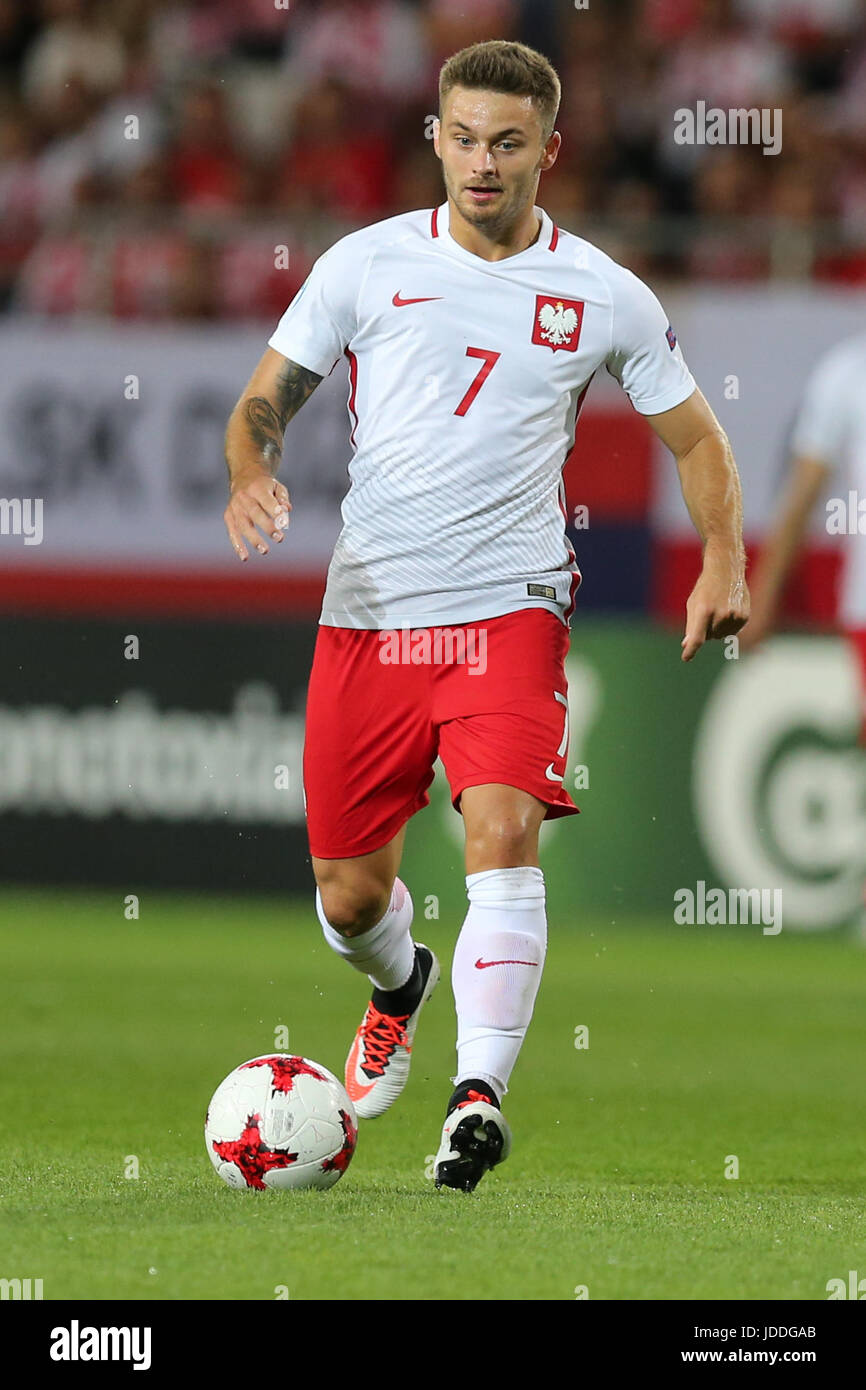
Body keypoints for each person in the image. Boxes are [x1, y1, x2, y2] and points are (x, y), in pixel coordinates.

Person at [223, 40, 748, 1193]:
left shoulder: (601, 293)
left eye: (506, 142)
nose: (481, 161)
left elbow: (697, 438)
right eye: (462, 137)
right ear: (435, 140)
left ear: (546, 151)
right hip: (367, 617)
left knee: (501, 831)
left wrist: (719, 554)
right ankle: (398, 985)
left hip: (510, 608)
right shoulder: (363, 265)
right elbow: (264, 397)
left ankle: (476, 1100)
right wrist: (251, 468)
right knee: (348, 894)